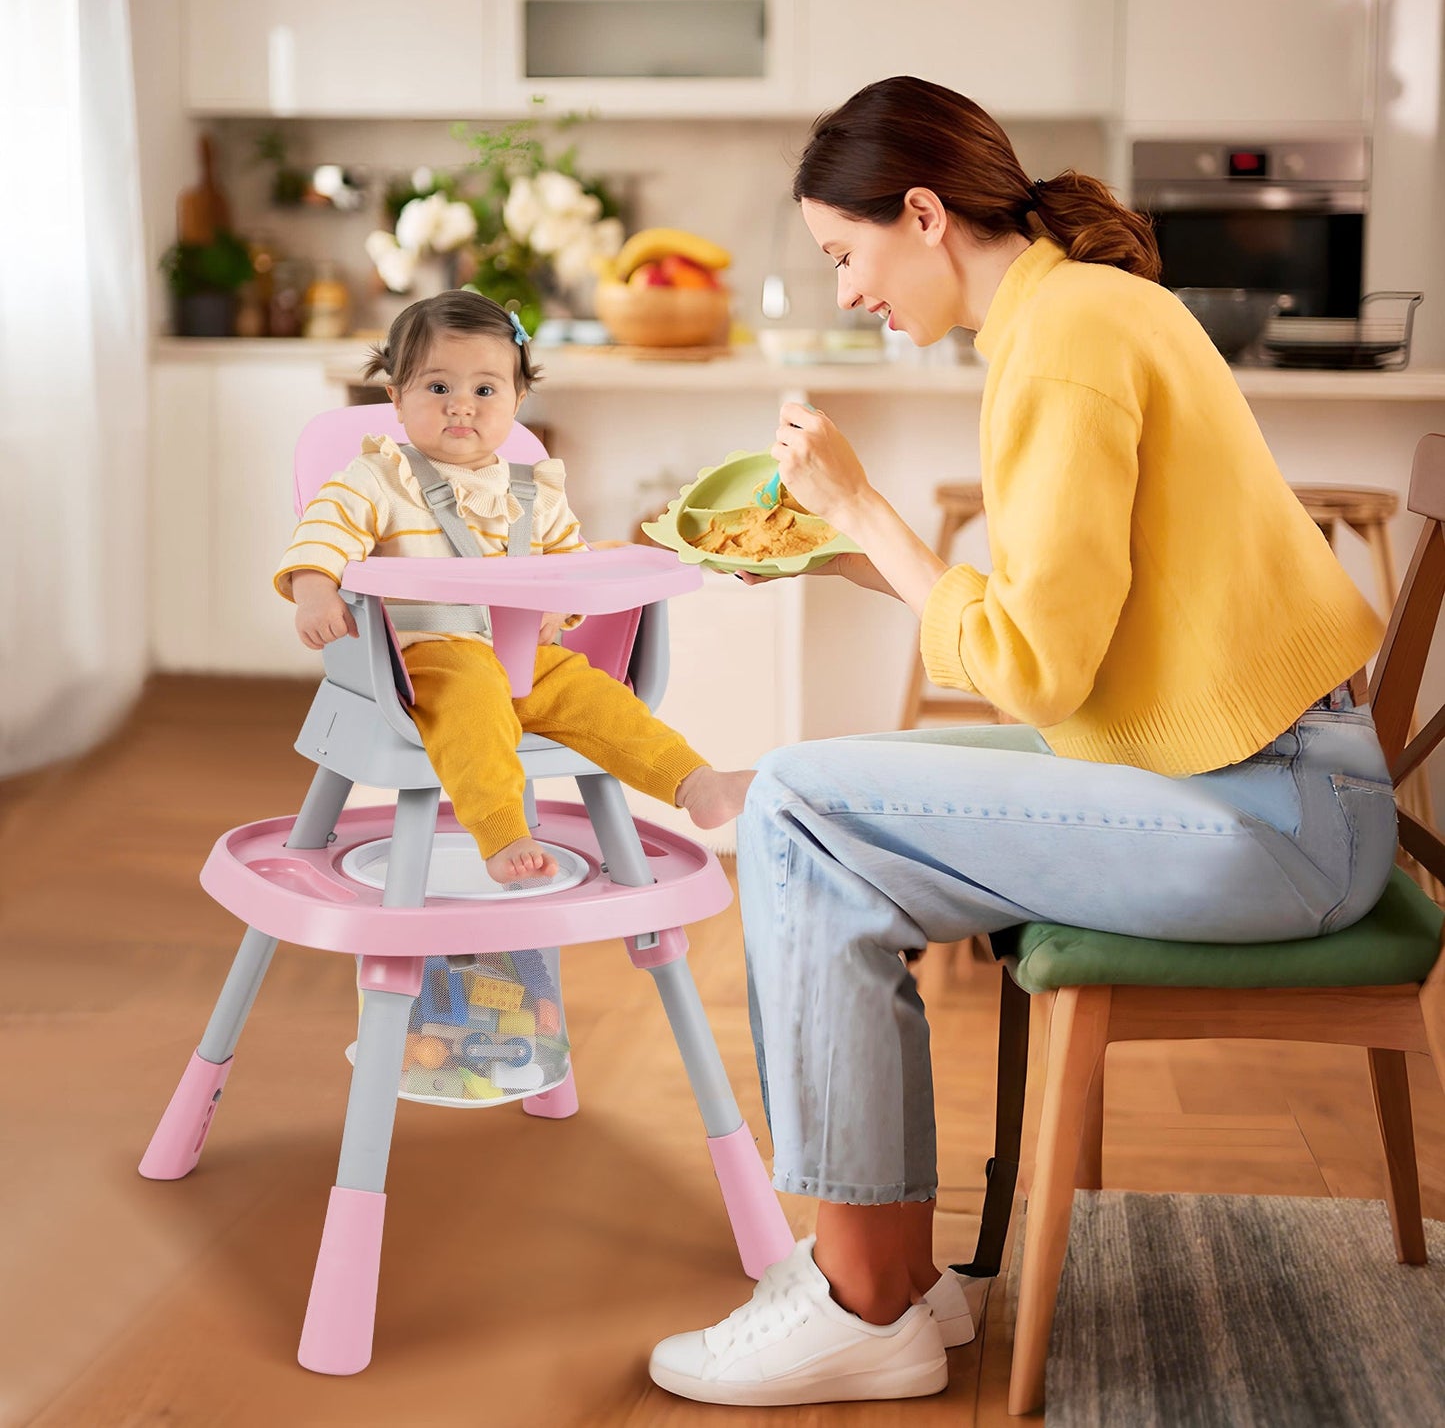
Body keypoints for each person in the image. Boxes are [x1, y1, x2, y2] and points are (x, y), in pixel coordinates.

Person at [647, 76, 1397, 1407]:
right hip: (1256, 783)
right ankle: (876, 1278)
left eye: (845, 255)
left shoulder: (1062, 343)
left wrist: (868, 506)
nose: (847, 293)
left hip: (1274, 820)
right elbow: (1050, 627)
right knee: (813, 821)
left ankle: (867, 1294)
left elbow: (1032, 672)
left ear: (923, 214)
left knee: (805, 805)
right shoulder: (1072, 316)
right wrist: (844, 548)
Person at [275, 291, 753, 882]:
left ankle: (693, 781)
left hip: (525, 657)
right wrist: (315, 588)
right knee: (473, 696)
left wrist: (561, 608)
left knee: (596, 697)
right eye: (437, 387)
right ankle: (502, 831)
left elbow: (572, 566)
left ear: (518, 400)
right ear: (396, 397)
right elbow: (323, 530)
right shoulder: (376, 477)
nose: (462, 408)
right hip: (425, 659)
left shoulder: (535, 489)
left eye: (484, 390)